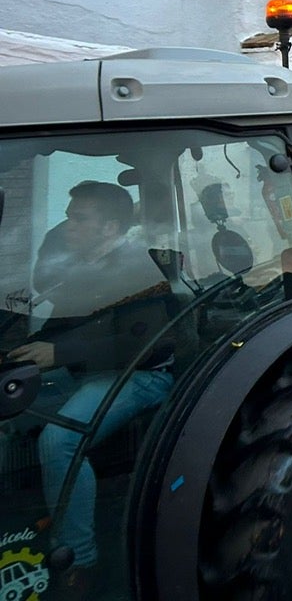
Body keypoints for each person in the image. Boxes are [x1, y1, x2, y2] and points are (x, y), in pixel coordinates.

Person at [13, 181, 175, 593]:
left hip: (140, 375)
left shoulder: (138, 269)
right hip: (88, 371)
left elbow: (140, 344)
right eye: (69, 216)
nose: (67, 225)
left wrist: (59, 354)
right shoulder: (82, 264)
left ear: (109, 228)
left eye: (78, 218)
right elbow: (64, 322)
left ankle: (78, 561)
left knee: (60, 439)